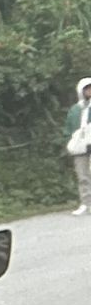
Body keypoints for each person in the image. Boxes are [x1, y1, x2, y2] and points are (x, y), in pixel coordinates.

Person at [68, 77, 91, 215]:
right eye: (87, 89)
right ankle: (85, 202)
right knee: (82, 176)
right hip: (80, 147)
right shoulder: (75, 110)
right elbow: (69, 128)